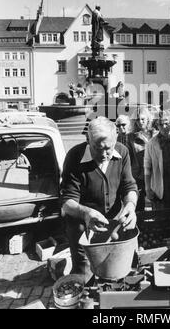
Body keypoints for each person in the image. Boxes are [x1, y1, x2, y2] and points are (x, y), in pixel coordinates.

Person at [61, 117, 138, 282]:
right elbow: (67, 201)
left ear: (116, 138)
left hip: (113, 225)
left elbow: (129, 187)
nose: (104, 154)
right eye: (98, 148)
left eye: (108, 148)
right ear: (88, 140)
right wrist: (87, 213)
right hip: (83, 227)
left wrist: (131, 205)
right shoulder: (74, 157)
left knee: (115, 271)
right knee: (85, 273)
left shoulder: (122, 152)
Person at [127, 107, 153, 211]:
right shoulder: (130, 137)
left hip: (154, 172)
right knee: (138, 206)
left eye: (143, 119)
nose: (140, 122)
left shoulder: (154, 134)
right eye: (137, 119)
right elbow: (129, 156)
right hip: (139, 174)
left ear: (148, 119)